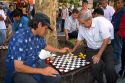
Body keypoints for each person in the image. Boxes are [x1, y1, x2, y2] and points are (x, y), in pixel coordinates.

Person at [5, 13, 69, 83]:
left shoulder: (38, 36)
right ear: (39, 25)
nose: (46, 31)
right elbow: (18, 67)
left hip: (35, 64)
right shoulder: (20, 37)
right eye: (46, 28)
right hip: (18, 71)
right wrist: (43, 71)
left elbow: (45, 46)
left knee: (56, 77)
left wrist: (60, 50)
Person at [72, 10, 117, 83]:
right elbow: (79, 40)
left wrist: (98, 55)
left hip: (106, 47)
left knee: (110, 68)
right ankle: (100, 81)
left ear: (89, 19)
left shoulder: (100, 23)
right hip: (92, 49)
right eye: (80, 23)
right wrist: (73, 50)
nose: (81, 25)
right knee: (96, 66)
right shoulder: (81, 27)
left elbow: (106, 39)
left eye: (83, 23)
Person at [112, 0, 125, 77]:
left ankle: (117, 62)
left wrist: (119, 31)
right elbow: (114, 19)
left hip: (118, 32)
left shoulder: (123, 11)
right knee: (115, 47)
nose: (118, 4)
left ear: (123, 3)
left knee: (117, 48)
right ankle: (116, 61)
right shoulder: (118, 10)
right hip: (114, 31)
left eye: (120, 2)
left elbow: (121, 23)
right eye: (117, 2)